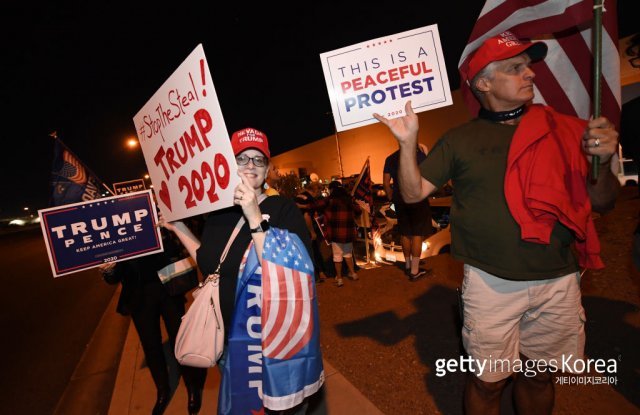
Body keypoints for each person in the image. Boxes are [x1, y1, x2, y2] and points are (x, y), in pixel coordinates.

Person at [374, 31, 620, 415]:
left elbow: (603, 202)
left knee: (539, 377)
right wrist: (407, 144)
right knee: (488, 383)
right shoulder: (460, 139)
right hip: (491, 283)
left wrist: (602, 161)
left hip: (557, 279)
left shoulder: (566, 129)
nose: (531, 75)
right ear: (484, 83)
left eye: (528, 66)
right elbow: (411, 193)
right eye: (516, 68)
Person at [160, 127, 323, 414]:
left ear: (268, 169)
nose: (250, 165)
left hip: (271, 347)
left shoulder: (283, 208)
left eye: (258, 160)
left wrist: (254, 216)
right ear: (227, 164)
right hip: (228, 344)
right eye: (242, 158)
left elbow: (297, 272)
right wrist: (178, 227)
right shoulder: (219, 213)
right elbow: (209, 263)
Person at [99, 230, 207, 415]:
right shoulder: (111, 225)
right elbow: (113, 278)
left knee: (180, 339)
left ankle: (192, 387)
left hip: (168, 285)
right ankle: (162, 391)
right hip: (138, 296)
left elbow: (177, 246)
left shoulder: (154, 208)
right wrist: (109, 268)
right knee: (151, 346)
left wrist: (164, 228)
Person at [383, 144, 434, 280]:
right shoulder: (419, 155)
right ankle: (415, 271)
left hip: (400, 200)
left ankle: (408, 265)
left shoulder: (391, 158)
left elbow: (386, 183)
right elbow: (429, 174)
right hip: (417, 199)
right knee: (417, 234)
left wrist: (392, 198)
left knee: (405, 233)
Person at [324, 180, 362, 287]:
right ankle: (353, 273)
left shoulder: (330, 200)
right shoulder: (349, 200)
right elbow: (359, 211)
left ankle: (339, 278)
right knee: (348, 254)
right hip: (348, 233)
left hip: (336, 233)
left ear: (332, 189)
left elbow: (317, 205)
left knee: (337, 256)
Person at [295, 181, 331, 283]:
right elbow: (307, 216)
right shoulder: (309, 199)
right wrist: (312, 232)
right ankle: (320, 273)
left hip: (298, 228)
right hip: (307, 228)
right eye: (319, 191)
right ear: (315, 190)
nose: (319, 193)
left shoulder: (299, 196)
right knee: (315, 251)